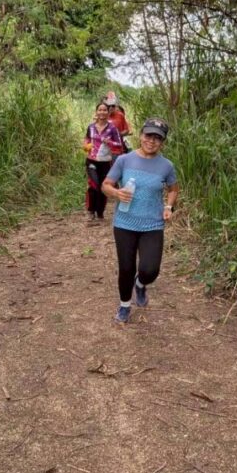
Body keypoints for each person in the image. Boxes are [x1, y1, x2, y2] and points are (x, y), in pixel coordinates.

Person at [102, 117, 179, 323]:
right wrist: (116, 193)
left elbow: (173, 189)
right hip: (124, 223)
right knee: (126, 268)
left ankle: (141, 284)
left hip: (152, 224)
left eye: (157, 138)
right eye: (148, 135)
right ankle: (125, 305)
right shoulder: (124, 160)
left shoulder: (166, 166)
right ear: (140, 135)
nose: (151, 141)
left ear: (162, 142)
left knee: (150, 270)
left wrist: (168, 206)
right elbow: (106, 185)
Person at [83, 101, 123, 222]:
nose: (102, 112)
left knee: (103, 187)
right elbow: (87, 139)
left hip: (105, 162)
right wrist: (85, 145)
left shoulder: (112, 128)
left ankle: (100, 212)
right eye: (100, 110)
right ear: (96, 112)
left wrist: (109, 142)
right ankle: (91, 211)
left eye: (104, 110)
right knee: (93, 185)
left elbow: (119, 145)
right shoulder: (91, 127)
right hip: (91, 160)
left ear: (108, 112)